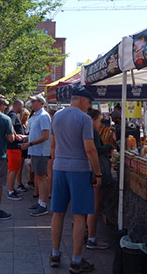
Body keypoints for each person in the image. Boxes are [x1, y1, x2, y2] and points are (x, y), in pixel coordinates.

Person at [49, 87, 101, 272]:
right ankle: (76, 261)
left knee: (58, 213)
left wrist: (56, 166)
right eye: (89, 102)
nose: (89, 106)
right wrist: (98, 173)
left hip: (59, 168)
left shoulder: (57, 116)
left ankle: (55, 254)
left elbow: (53, 147)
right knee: (79, 216)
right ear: (83, 101)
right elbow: (90, 149)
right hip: (79, 169)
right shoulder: (84, 119)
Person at [86, 108, 112, 250]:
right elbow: (95, 149)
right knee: (94, 206)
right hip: (96, 167)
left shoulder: (85, 129)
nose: (100, 123)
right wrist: (109, 145)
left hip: (86, 168)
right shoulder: (92, 131)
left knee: (91, 204)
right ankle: (92, 238)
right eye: (99, 120)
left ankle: (88, 234)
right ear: (94, 119)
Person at [21, 94, 51, 217]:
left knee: (41, 178)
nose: (32, 104)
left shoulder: (43, 116)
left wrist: (30, 143)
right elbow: (37, 134)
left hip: (40, 151)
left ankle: (43, 204)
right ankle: (40, 202)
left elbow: (45, 135)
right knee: (39, 177)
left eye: (34, 101)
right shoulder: (37, 116)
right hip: (36, 151)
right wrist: (26, 138)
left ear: (40, 102)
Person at [6, 100, 25, 201]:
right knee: (13, 169)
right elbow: (10, 125)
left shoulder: (11, 114)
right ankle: (10, 191)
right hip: (14, 146)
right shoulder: (13, 115)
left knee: (11, 169)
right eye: (21, 107)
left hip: (12, 146)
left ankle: (11, 189)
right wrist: (15, 135)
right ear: (17, 106)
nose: (22, 109)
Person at [17, 108, 30, 193]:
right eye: (25, 115)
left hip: (26, 147)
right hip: (22, 147)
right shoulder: (20, 125)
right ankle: (19, 183)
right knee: (20, 166)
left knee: (23, 165)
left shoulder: (26, 124)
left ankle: (21, 182)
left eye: (27, 115)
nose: (26, 116)